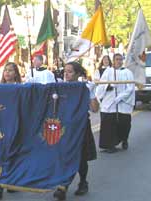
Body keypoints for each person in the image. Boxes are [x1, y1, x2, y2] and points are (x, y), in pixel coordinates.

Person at [53, 61, 99, 201]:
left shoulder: (84, 88)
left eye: (70, 71)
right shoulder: (60, 87)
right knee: (64, 156)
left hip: (80, 127)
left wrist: (90, 93)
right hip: (65, 127)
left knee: (81, 158)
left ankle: (83, 182)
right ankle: (63, 186)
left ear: (78, 74)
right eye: (65, 71)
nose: (66, 74)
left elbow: (95, 109)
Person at [0, 62, 22, 199]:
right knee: (1, 153)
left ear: (16, 73)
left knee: (13, 153)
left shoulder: (21, 88)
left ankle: (11, 182)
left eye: (10, 70)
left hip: (16, 123)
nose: (7, 73)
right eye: (5, 70)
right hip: (1, 124)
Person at [95, 53, 135, 153]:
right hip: (109, 100)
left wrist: (120, 97)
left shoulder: (127, 72)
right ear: (113, 60)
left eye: (120, 59)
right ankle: (109, 145)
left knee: (124, 122)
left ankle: (124, 139)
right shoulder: (108, 71)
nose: (119, 61)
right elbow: (101, 85)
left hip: (123, 101)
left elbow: (130, 88)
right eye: (117, 59)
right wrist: (108, 87)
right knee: (108, 122)